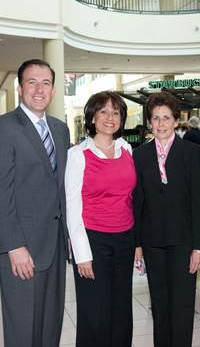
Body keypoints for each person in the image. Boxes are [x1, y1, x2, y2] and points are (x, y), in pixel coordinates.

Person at [0, 59, 70, 346]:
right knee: (23, 328)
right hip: (22, 248)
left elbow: (60, 188)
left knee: (50, 325)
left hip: (55, 244)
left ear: (54, 90)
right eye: (32, 82)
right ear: (20, 88)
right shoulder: (3, 128)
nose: (39, 89)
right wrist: (14, 246)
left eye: (45, 83)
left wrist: (67, 235)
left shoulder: (59, 129)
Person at [133, 91, 200, 347]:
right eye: (155, 118)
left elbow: (199, 202)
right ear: (150, 122)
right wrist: (137, 243)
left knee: (183, 303)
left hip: (184, 242)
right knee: (160, 303)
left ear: (177, 120)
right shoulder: (140, 155)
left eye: (166, 118)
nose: (161, 124)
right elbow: (137, 202)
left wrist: (199, 246)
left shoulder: (191, 152)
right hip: (152, 242)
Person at [65, 91, 137, 347]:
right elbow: (72, 206)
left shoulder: (126, 149)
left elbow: (132, 199)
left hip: (125, 239)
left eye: (116, 112)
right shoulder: (78, 155)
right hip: (93, 240)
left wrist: (136, 242)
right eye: (104, 111)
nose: (110, 117)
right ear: (92, 117)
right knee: (94, 311)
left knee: (121, 308)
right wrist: (81, 254)